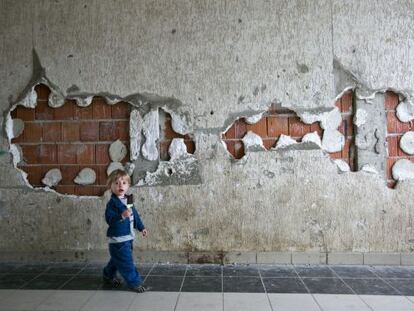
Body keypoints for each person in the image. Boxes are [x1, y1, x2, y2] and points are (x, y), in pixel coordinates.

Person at [103, 169, 149, 293]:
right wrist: (121, 216)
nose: (120, 186)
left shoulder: (128, 200)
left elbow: (135, 216)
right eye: (116, 183)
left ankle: (108, 274)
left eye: (124, 183)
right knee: (126, 262)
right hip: (118, 239)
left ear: (128, 185)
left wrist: (141, 228)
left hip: (128, 237)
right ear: (110, 186)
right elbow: (109, 219)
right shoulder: (112, 204)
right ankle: (135, 282)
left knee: (117, 259)